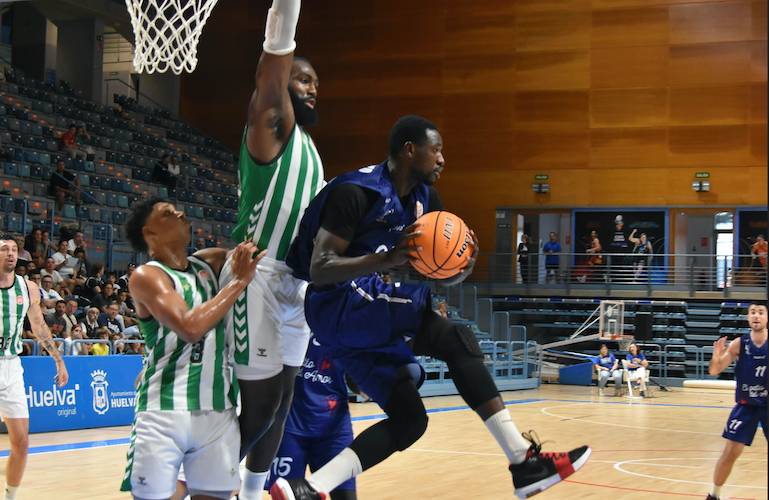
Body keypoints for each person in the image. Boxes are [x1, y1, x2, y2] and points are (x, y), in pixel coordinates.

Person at [274, 115, 590, 500]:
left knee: (411, 420)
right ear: (410, 149)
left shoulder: (426, 201)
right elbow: (319, 269)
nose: (442, 158)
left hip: (360, 319)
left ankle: (311, 487)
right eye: (436, 149)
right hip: (333, 303)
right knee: (455, 337)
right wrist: (387, 261)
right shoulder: (356, 192)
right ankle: (523, 460)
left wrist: (457, 269)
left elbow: (427, 268)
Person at [226, 1, 326, 497]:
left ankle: (249, 492)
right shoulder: (269, 130)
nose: (311, 88)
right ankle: (195, 483)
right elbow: (274, 58)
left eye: (314, 83)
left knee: (283, 403)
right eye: (302, 79)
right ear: (281, 88)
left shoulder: (312, 152)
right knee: (261, 405)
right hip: (258, 277)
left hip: (296, 286)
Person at [119, 197, 262, 499]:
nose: (181, 212)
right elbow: (190, 328)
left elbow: (258, 251)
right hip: (163, 410)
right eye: (168, 213)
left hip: (218, 409)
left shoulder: (210, 261)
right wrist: (239, 282)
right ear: (150, 233)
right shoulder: (147, 276)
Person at [0, 232, 69, 500]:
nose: (10, 253)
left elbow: (39, 326)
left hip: (12, 366)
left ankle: (10, 497)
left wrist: (59, 360)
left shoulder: (27, 287)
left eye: (13, 249)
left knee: (22, 441)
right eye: (4, 249)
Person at [264, 334, 357, 500]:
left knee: (346, 496)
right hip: (289, 427)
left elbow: (357, 378)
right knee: (287, 495)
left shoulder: (346, 323)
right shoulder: (287, 317)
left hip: (334, 431)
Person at [706, 301, 767, 500]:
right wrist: (716, 357)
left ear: (766, 317)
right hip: (746, 405)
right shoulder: (739, 343)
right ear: (748, 317)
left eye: (760, 312)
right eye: (752, 312)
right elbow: (715, 370)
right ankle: (714, 495)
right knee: (730, 452)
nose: (756, 316)